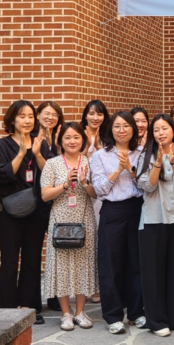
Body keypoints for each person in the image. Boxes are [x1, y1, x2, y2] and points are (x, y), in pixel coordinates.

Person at [0, 100, 48, 323]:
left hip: (36, 210)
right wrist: (22, 152)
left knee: (32, 259)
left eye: (31, 116)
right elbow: (1, 176)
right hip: (9, 212)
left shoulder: (40, 143)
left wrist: (37, 153)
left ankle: (27, 307)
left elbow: (50, 173)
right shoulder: (2, 145)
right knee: (10, 260)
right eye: (22, 116)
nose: (27, 120)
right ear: (12, 119)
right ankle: (6, 309)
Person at [40, 122, 99, 331]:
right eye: (67, 137)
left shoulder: (91, 162)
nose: (72, 141)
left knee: (84, 264)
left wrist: (84, 183)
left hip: (84, 218)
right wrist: (65, 184)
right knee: (61, 265)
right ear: (60, 141)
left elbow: (96, 194)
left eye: (76, 137)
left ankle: (80, 312)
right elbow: (45, 195)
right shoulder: (52, 163)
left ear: (83, 140)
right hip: (60, 219)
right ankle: (65, 313)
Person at [90, 111, 145, 334]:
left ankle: (136, 312)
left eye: (126, 126)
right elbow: (99, 189)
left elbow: (146, 185)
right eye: (117, 126)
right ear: (110, 130)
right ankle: (113, 316)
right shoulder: (100, 155)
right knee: (110, 263)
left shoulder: (141, 152)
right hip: (112, 211)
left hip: (137, 208)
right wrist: (118, 170)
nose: (122, 130)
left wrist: (130, 169)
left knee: (136, 261)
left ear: (133, 129)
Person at [137, 114, 174, 336]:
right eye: (156, 129)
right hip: (152, 220)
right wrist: (158, 162)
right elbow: (148, 186)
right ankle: (157, 321)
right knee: (153, 272)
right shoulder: (145, 157)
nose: (161, 133)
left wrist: (173, 161)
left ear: (173, 131)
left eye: (165, 128)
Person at [36, 100, 65, 312]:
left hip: (59, 201)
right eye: (46, 113)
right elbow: (48, 171)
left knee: (58, 249)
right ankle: (33, 299)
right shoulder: (34, 139)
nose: (50, 117)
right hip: (39, 200)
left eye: (54, 114)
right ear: (38, 115)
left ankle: (56, 295)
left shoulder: (61, 139)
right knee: (35, 250)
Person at [81, 99, 110, 303]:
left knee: (100, 241)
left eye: (99, 114)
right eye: (91, 113)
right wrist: (86, 146)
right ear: (85, 115)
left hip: (99, 196)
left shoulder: (108, 138)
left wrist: (99, 146)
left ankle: (99, 286)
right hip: (81, 194)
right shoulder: (77, 135)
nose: (95, 117)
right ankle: (85, 286)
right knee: (85, 241)